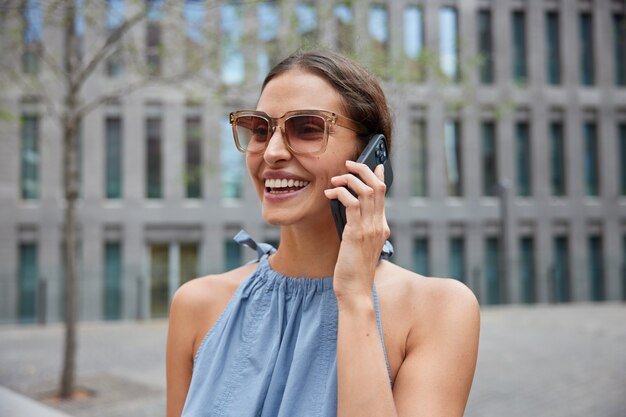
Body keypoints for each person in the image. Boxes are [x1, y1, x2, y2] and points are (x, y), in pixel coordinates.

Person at [166, 49, 480, 417]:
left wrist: (355, 297)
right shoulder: (196, 305)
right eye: (260, 130)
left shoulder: (438, 311)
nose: (272, 152)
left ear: (369, 156)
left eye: (308, 128)